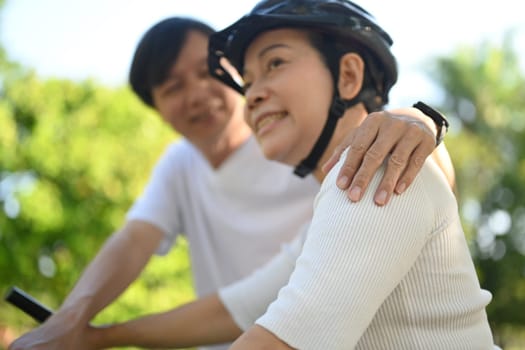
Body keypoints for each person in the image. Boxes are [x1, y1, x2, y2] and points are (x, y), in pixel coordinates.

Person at [9, 14, 456, 350]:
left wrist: (419, 121)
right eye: (172, 87)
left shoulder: (364, 167)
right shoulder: (188, 166)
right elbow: (228, 306)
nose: (254, 94)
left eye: (208, 73)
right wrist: (81, 329)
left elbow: (397, 147)